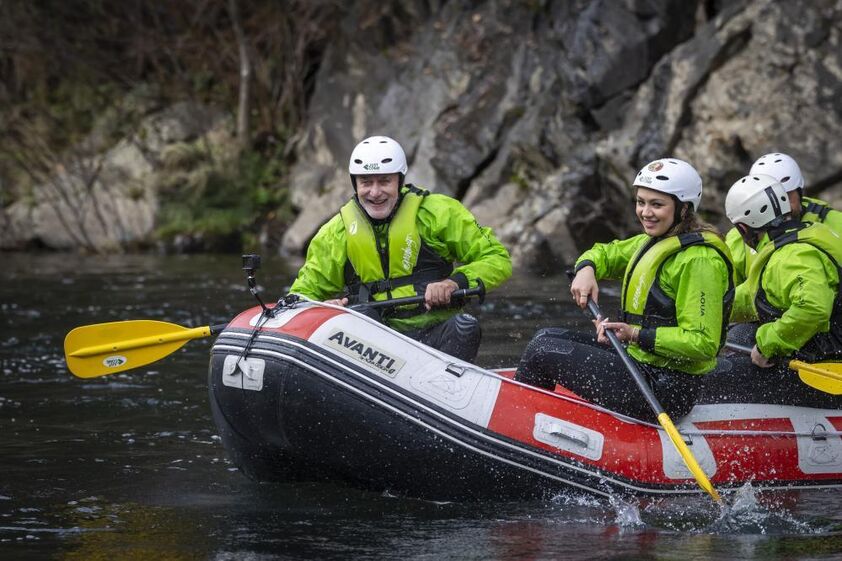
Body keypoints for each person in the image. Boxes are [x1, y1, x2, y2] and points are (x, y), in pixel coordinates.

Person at [515, 158, 734, 421]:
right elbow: (606, 254)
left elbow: (703, 343)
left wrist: (634, 334)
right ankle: (535, 420)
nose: (645, 212)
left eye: (657, 204)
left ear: (684, 209)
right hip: (640, 363)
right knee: (545, 336)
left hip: (667, 388)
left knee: (543, 352)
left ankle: (519, 422)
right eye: (641, 202)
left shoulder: (699, 261)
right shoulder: (653, 241)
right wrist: (586, 268)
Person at [288, 135, 512, 362]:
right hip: (373, 347)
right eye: (366, 182)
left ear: (399, 180)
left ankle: (447, 381)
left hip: (435, 333)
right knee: (358, 317)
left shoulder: (438, 214)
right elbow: (300, 295)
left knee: (465, 327)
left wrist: (454, 282)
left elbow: (497, 259)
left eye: (384, 181)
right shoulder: (335, 233)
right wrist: (321, 308)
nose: (375, 192)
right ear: (355, 184)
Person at [725, 173, 842, 370]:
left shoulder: (792, 255)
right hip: (820, 344)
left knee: (721, 370)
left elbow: (812, 308)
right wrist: (714, 310)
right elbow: (754, 293)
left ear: (743, 228)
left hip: (827, 358)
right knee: (740, 334)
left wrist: (768, 344)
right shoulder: (802, 234)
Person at [725, 152, 842, 285]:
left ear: (799, 192)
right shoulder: (738, 239)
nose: (781, 206)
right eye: (769, 202)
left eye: (785, 196)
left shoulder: (836, 223)